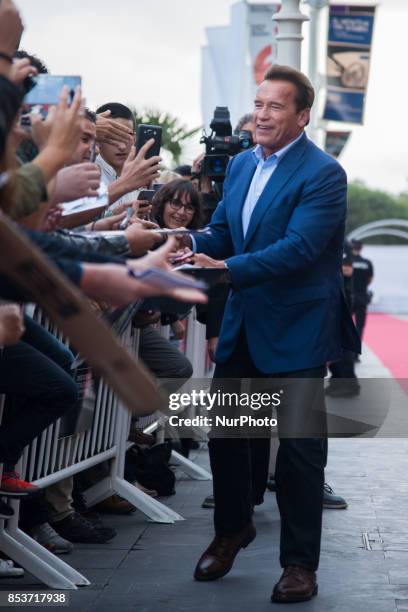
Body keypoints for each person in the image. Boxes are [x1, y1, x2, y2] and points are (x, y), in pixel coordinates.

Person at [187, 65, 360, 603]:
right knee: (231, 442)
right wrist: (184, 238)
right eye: (258, 104)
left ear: (302, 115)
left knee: (301, 455)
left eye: (275, 107)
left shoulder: (324, 172)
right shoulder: (239, 165)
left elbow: (300, 248)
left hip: (300, 330)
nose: (261, 114)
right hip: (244, 325)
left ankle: (300, 565)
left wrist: (225, 269)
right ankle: (232, 530)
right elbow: (223, 229)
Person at [351, 239, 374, 342]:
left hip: (348, 297)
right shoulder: (367, 263)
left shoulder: (346, 262)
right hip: (362, 297)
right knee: (359, 326)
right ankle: (355, 354)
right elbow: (370, 280)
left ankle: (345, 354)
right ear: (361, 248)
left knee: (343, 325)